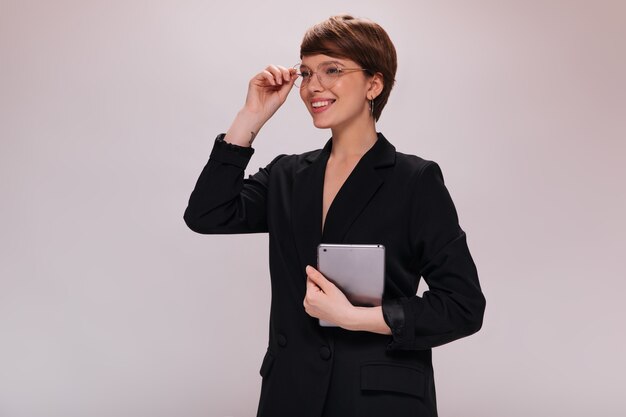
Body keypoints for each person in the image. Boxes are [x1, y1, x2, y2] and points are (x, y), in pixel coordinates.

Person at [184, 14, 485, 417]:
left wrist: (356, 318)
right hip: (290, 395)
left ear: (373, 84)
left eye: (333, 70)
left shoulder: (415, 179)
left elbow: (463, 305)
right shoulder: (287, 175)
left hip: (377, 398)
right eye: (306, 72)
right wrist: (250, 117)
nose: (313, 86)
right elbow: (206, 214)